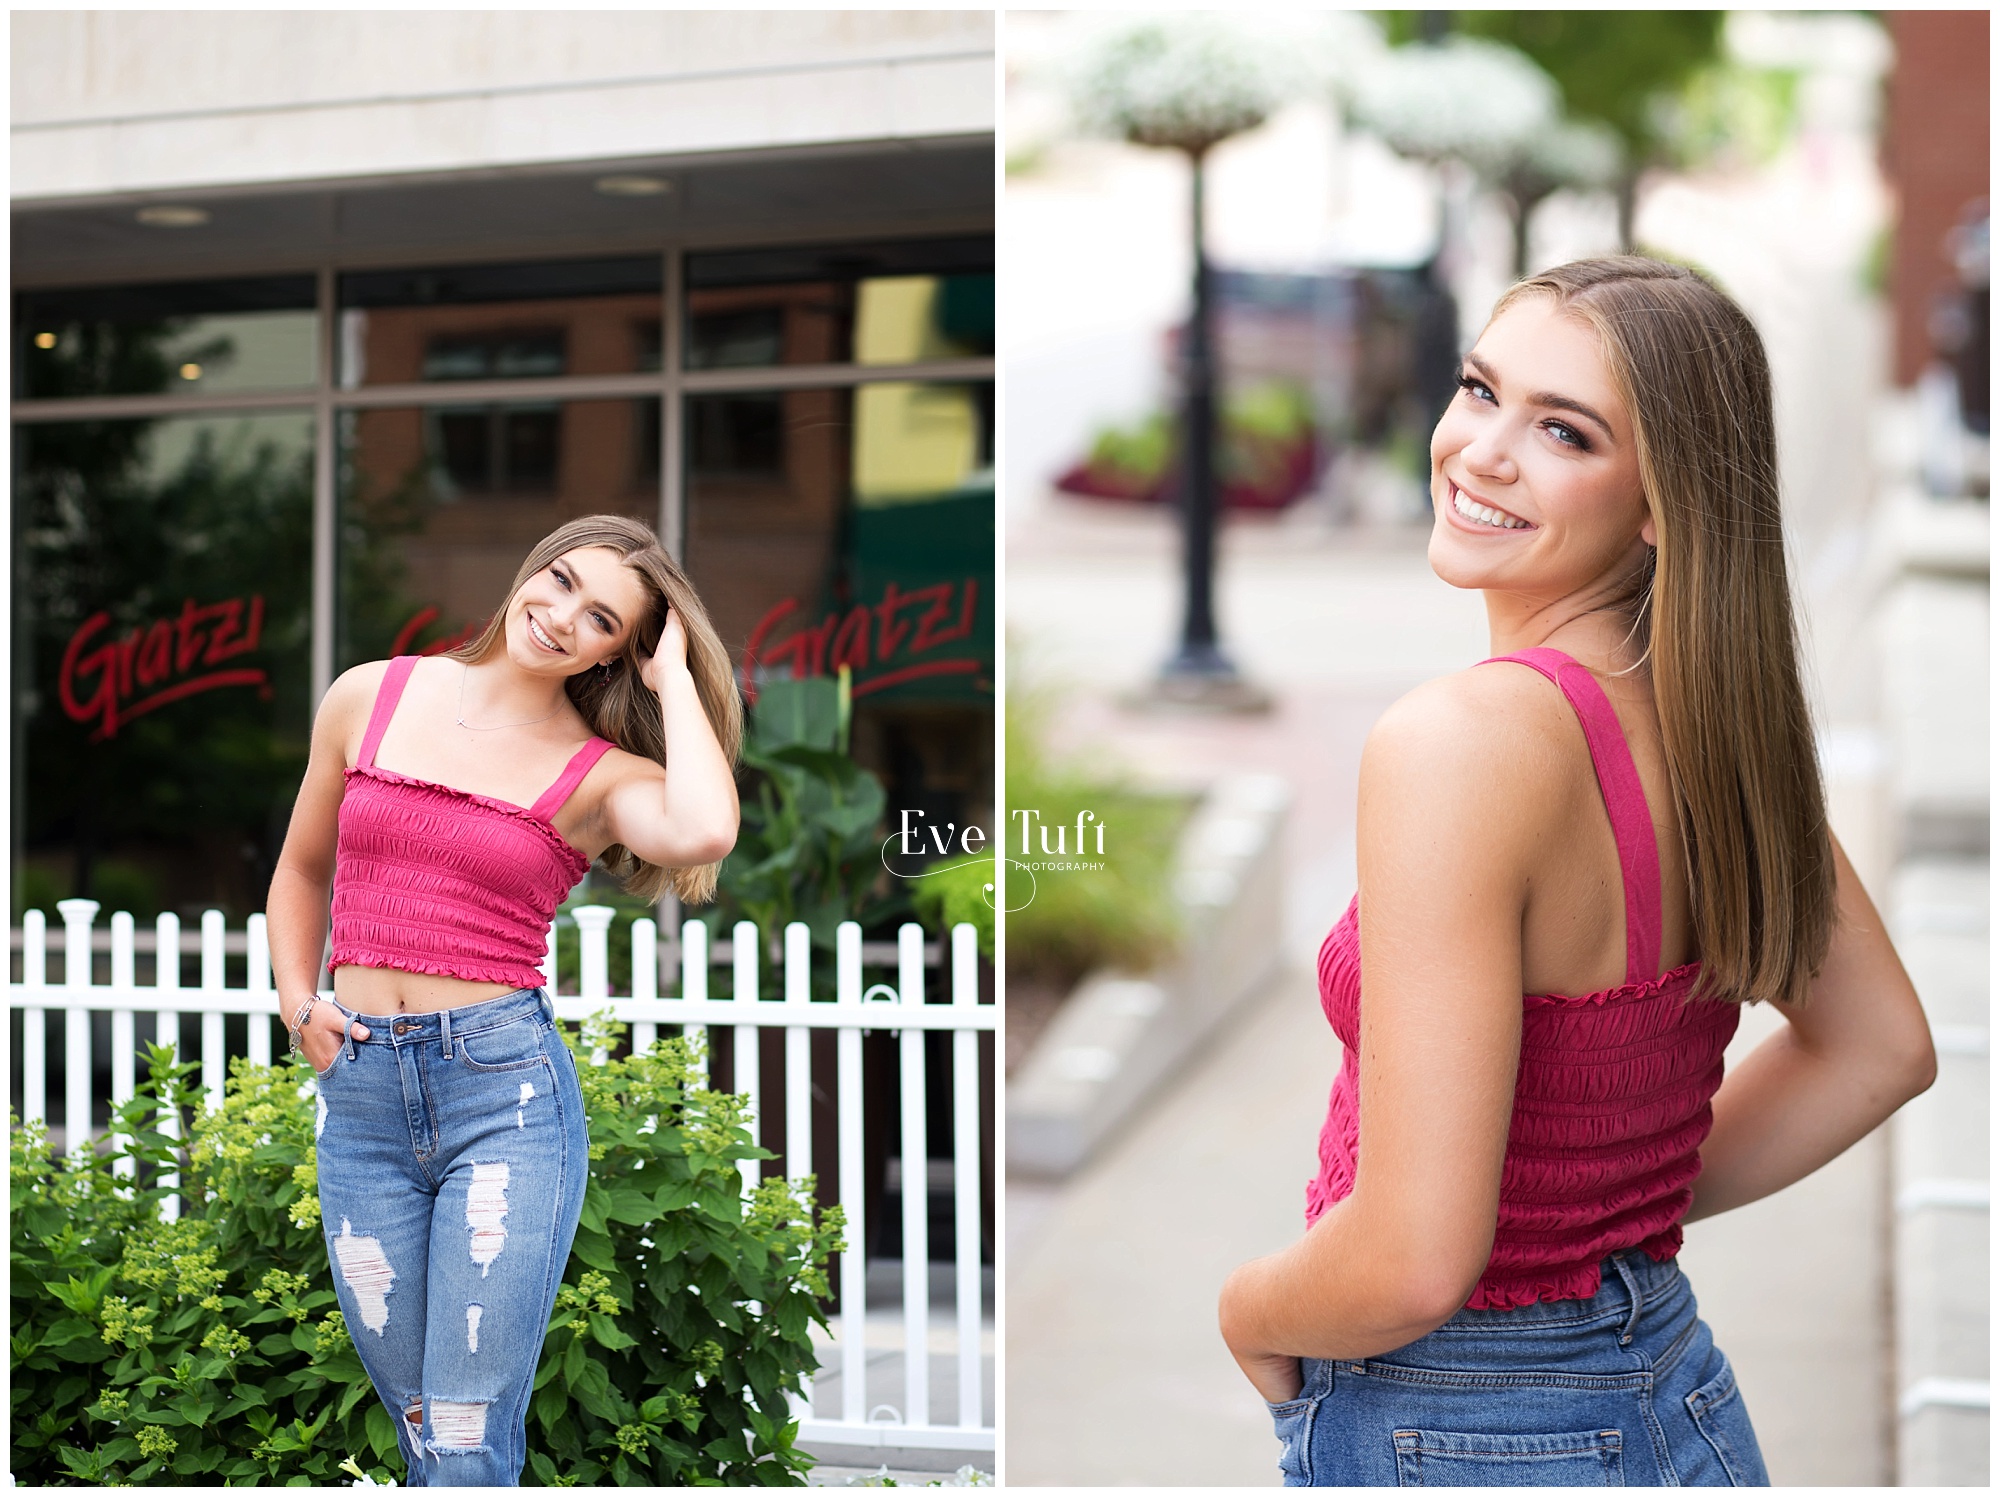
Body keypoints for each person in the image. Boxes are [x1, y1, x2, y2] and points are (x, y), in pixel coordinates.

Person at [1217, 258, 1936, 1487]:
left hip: (1463, 1421)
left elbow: (1408, 1261)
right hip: (1673, 1392)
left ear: (1658, 502)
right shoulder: (1718, 726)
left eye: (1562, 430)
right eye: (1477, 388)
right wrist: (1595, 1218)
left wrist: (1248, 1311)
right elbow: (1876, 1047)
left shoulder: (1456, 745)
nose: (1481, 451)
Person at [268, 514, 742, 1486]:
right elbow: (300, 871)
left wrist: (678, 682)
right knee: (420, 1424)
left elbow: (699, 830)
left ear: (622, 649)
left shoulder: (603, 773)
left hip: (503, 1101)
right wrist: (294, 997)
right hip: (359, 1099)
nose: (563, 614)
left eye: (602, 616)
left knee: (464, 1428)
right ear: (532, 568)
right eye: (560, 580)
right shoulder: (372, 693)